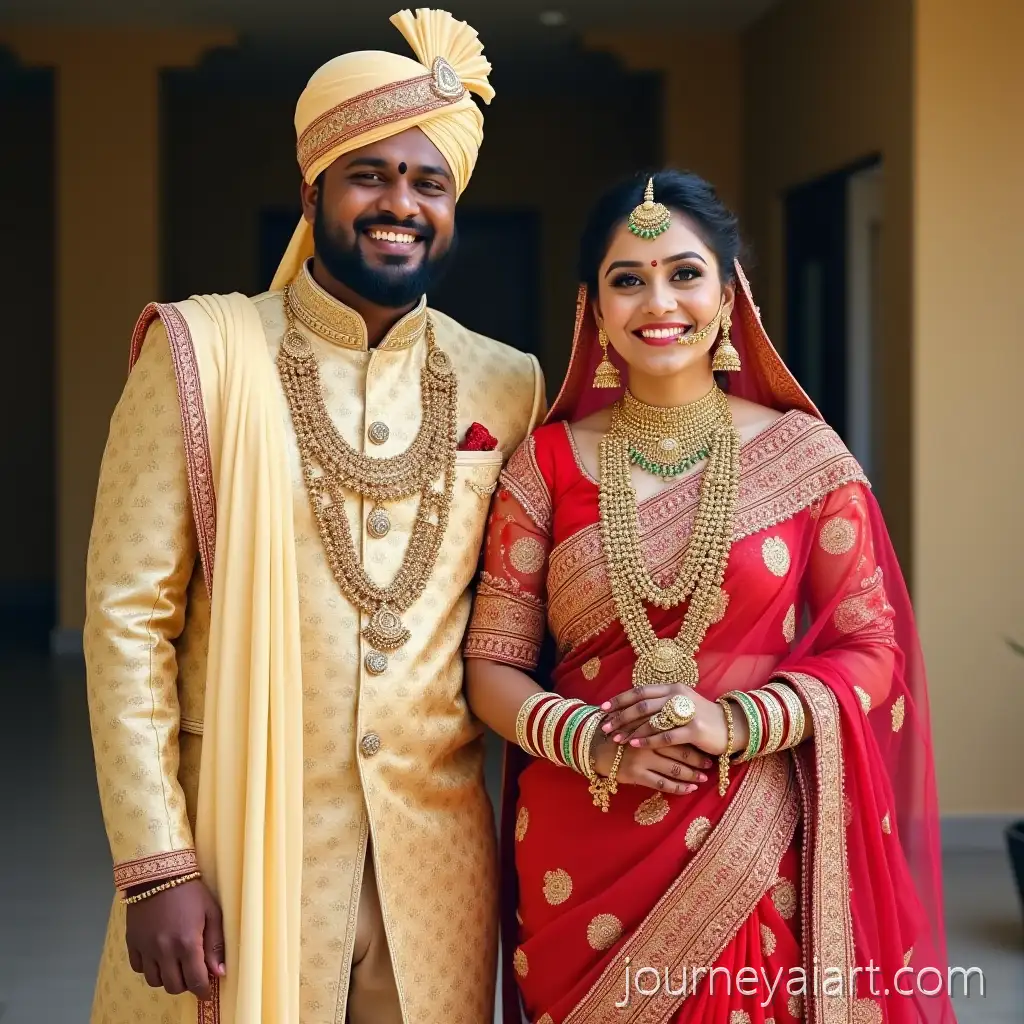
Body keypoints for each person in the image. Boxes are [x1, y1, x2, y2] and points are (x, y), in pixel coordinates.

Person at [84, 10, 545, 1024]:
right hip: (241, 840)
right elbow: (126, 623)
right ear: (313, 192)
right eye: (369, 175)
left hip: (437, 861)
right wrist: (155, 864)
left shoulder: (507, 386)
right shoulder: (203, 356)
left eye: (429, 183)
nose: (400, 204)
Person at [464, 170, 955, 1024]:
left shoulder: (806, 459)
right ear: (595, 307)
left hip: (760, 831)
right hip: (586, 829)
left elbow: (875, 650)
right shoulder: (544, 465)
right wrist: (592, 743)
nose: (660, 300)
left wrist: (732, 722)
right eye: (629, 278)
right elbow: (492, 666)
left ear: (730, 296)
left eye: (685, 273)